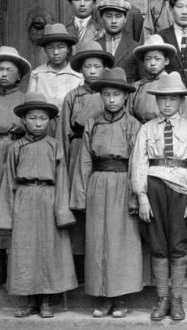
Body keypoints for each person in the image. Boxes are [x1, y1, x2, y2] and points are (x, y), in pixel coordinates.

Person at [0, 92, 77, 318]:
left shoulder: (55, 145)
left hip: (49, 198)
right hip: (24, 198)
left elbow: (62, 179)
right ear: (23, 120)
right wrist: (7, 215)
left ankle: (47, 301)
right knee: (26, 250)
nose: (38, 123)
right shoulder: (16, 147)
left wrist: (62, 211)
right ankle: (30, 301)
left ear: (49, 120)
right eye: (32, 118)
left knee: (49, 249)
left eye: (43, 118)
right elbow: (9, 180)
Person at [131, 71, 187, 321]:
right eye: (162, 99)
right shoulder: (147, 129)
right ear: (156, 101)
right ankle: (162, 298)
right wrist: (142, 197)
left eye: (173, 99)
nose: (167, 104)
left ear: (181, 101)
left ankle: (177, 298)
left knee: (178, 243)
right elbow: (139, 162)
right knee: (158, 243)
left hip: (181, 188)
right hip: (155, 186)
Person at [74, 68, 143, 318]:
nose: (112, 99)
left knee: (121, 241)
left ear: (125, 97)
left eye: (116, 95)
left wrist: (136, 195)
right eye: (107, 95)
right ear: (101, 96)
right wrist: (81, 195)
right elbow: (84, 159)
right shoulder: (93, 123)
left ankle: (121, 297)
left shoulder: (133, 125)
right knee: (98, 241)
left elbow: (137, 161)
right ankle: (102, 297)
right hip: (97, 183)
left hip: (123, 183)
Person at [60, 41, 115, 282]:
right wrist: (63, 165)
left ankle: (105, 265)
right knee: (80, 206)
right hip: (77, 151)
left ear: (104, 68)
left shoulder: (111, 95)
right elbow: (63, 132)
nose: (92, 71)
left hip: (103, 155)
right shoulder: (73, 96)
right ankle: (80, 266)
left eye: (97, 66)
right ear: (80, 69)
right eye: (87, 66)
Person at [0, 47, 30, 288]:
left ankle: (19, 267)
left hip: (16, 152)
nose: (3, 74)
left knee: (16, 206)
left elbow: (35, 126)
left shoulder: (24, 99)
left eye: (9, 70)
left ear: (19, 74)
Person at [129, 35, 187, 124]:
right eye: (148, 59)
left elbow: (185, 117)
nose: (153, 63)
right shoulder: (137, 87)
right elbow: (129, 118)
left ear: (166, 61)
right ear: (143, 62)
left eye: (157, 59)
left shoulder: (175, 85)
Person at [28, 24, 82, 119]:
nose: (55, 52)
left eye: (61, 47)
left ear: (68, 49)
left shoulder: (78, 76)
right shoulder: (37, 74)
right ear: (45, 50)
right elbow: (30, 104)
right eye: (50, 47)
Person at [96, 0, 142, 83]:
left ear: (125, 19)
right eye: (109, 16)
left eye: (118, 16)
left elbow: (141, 80)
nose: (113, 21)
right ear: (101, 19)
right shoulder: (95, 46)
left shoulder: (135, 48)